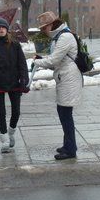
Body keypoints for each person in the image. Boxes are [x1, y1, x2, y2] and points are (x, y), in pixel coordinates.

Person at [32, 11, 82, 160]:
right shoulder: (59, 37)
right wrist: (42, 59)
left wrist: (37, 62)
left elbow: (54, 61)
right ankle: (68, 145)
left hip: (69, 80)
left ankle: (71, 149)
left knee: (65, 114)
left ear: (51, 25)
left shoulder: (64, 37)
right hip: (65, 78)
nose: (43, 31)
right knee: (63, 113)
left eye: (44, 28)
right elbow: (56, 61)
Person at [0, 18, 29, 153]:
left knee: (16, 111)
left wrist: (24, 80)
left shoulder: (15, 44)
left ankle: (10, 132)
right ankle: (4, 139)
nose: (1, 30)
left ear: (7, 29)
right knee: (1, 113)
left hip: (14, 82)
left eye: (3, 27)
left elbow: (22, 63)